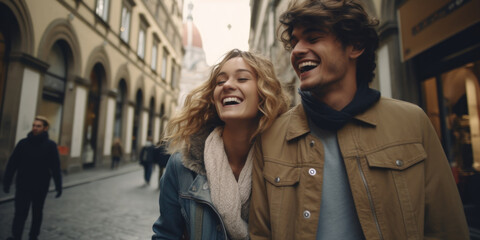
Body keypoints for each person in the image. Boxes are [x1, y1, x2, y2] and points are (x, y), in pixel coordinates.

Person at [248, 0, 470, 239]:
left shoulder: (412, 122)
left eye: (313, 38)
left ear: (355, 45)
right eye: (294, 43)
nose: (297, 50)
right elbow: (261, 233)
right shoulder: (271, 137)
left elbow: (447, 229)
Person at [152, 49, 290, 239]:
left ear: (263, 92)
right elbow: (165, 235)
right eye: (220, 81)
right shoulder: (181, 165)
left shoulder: (286, 162)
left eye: (242, 79)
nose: (227, 86)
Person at [3, 116, 63, 240]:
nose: (35, 128)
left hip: (40, 186)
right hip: (23, 184)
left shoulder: (50, 145)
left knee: (37, 212)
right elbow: (12, 163)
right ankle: (16, 235)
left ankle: (33, 236)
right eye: (34, 125)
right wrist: (7, 182)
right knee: (20, 212)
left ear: (45, 128)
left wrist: (58, 186)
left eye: (38, 126)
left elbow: (55, 167)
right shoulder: (23, 143)